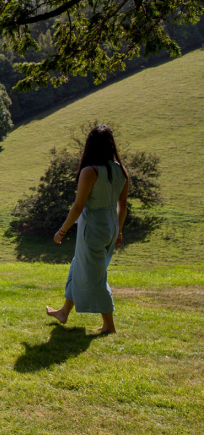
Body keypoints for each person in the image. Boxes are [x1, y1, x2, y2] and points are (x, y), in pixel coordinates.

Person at [46, 125, 129, 334]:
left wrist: (62, 231)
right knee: (78, 267)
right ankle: (64, 312)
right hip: (110, 225)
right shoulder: (120, 170)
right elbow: (123, 205)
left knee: (96, 276)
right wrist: (118, 231)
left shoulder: (90, 171)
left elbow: (78, 206)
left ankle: (109, 325)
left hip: (93, 227)